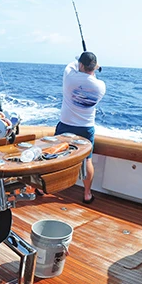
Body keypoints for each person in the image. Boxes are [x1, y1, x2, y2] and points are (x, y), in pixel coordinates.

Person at [56, 51, 106, 203]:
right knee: (87, 161)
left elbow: (73, 65)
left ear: (82, 65)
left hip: (65, 125)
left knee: (55, 157)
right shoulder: (101, 87)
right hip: (86, 128)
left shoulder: (69, 77)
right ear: (94, 68)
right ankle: (87, 194)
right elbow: (90, 78)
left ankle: (45, 188)